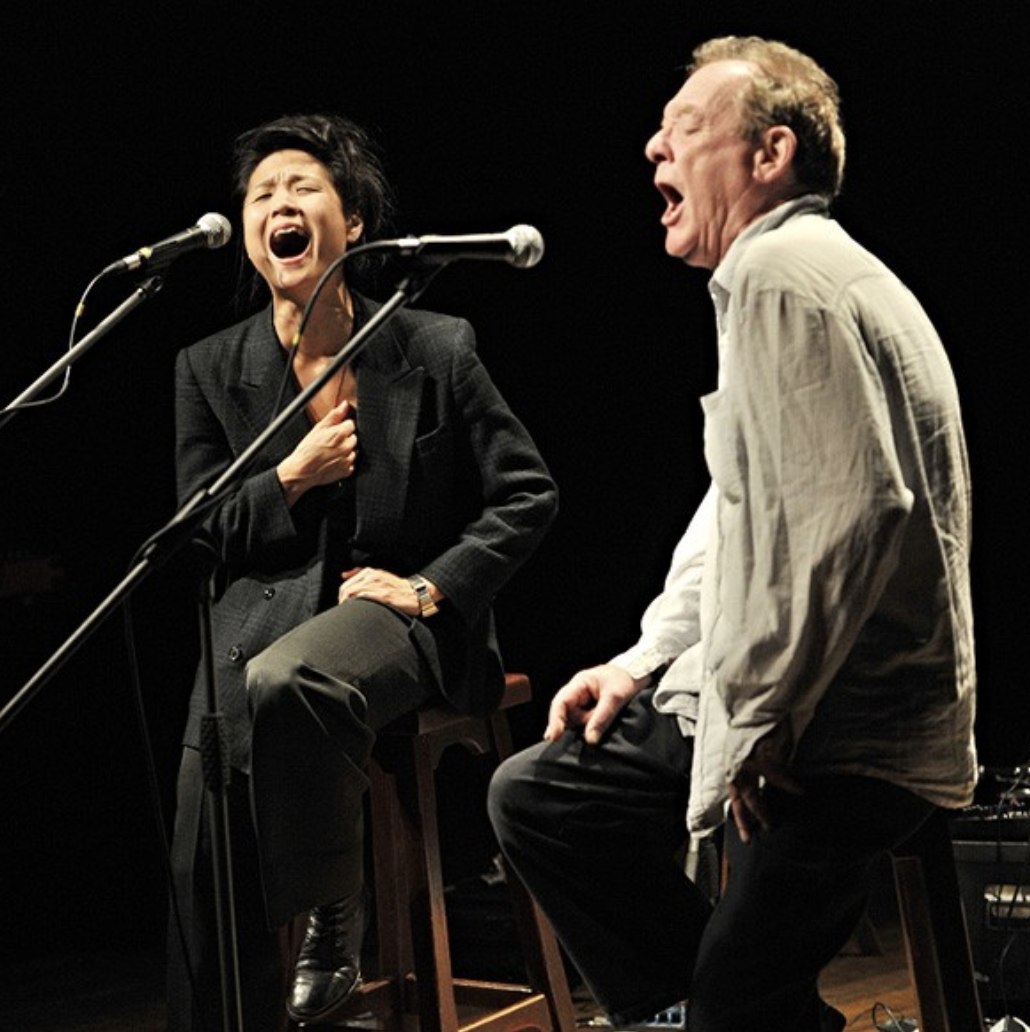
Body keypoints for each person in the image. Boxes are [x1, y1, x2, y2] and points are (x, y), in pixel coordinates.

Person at [488, 35, 976, 1032]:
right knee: (546, 796)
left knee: (738, 1003)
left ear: (770, 153)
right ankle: (708, 1010)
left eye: (685, 129)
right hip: (795, 701)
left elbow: (854, 515)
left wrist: (759, 721)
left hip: (841, 733)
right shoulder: (783, 273)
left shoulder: (784, 276)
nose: (654, 150)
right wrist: (642, 661)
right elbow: (740, 516)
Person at [166, 112, 557, 1032]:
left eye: (303, 188)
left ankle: (334, 913)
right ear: (249, 233)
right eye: (262, 194)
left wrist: (431, 587)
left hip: (397, 617)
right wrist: (289, 480)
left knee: (291, 679)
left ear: (354, 223)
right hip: (256, 625)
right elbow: (198, 533)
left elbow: (527, 493)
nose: (280, 204)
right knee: (199, 844)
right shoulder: (209, 367)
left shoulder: (432, 344)